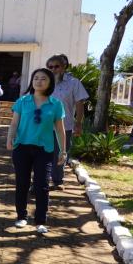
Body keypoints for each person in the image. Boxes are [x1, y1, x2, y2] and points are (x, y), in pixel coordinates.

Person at [7, 68, 66, 234]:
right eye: (36, 78)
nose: (39, 81)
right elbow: (14, 124)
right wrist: (9, 139)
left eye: (43, 79)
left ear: (49, 83)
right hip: (22, 148)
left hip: (44, 150)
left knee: (42, 185)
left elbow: (60, 130)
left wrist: (63, 151)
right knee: (22, 183)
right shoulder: (22, 101)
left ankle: (40, 220)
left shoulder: (56, 104)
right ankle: (21, 216)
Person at [46, 55, 88, 189]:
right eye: (50, 67)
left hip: (65, 126)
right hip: (43, 126)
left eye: (56, 66)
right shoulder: (44, 81)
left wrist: (79, 123)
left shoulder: (74, 83)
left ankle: (57, 181)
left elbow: (79, 104)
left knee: (60, 154)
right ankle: (39, 181)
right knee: (42, 154)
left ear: (64, 67)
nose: (53, 69)